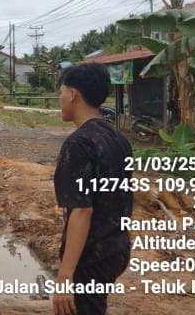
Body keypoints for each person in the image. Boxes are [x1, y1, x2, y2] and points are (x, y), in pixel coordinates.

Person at [52, 63, 132, 315]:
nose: (60, 99)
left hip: (92, 256)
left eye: (61, 92)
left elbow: (82, 211)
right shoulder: (117, 138)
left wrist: (65, 277)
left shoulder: (78, 144)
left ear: (73, 94)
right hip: (116, 249)